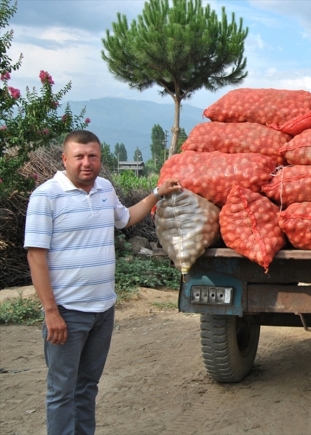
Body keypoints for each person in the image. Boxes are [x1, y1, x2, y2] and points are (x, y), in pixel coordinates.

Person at [24, 130, 182, 435]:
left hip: (103, 309)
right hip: (68, 312)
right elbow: (36, 257)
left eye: (92, 156)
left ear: (100, 159)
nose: (86, 163)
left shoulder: (105, 189)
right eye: (79, 156)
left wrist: (156, 194)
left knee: (87, 387)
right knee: (62, 391)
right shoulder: (46, 196)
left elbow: (124, 218)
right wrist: (51, 311)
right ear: (65, 159)